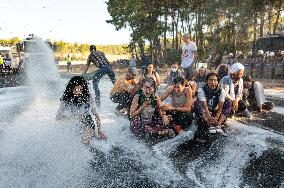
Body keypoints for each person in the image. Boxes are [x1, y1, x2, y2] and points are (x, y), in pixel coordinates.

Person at [56, 76, 106, 144]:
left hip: (87, 120)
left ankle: (91, 136)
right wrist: (72, 118)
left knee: (85, 141)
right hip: (74, 122)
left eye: (80, 90)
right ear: (71, 89)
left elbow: (96, 116)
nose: (78, 92)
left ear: (84, 89)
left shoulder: (89, 97)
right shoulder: (66, 98)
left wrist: (100, 131)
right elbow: (58, 117)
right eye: (75, 90)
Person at [194, 72, 231, 137]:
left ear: (217, 82)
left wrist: (216, 118)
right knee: (197, 103)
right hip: (205, 112)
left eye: (215, 80)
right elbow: (205, 107)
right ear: (207, 81)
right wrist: (209, 119)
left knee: (228, 102)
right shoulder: (201, 90)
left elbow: (220, 107)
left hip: (215, 111)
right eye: (210, 80)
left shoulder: (221, 91)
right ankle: (209, 125)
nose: (213, 82)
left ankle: (218, 124)